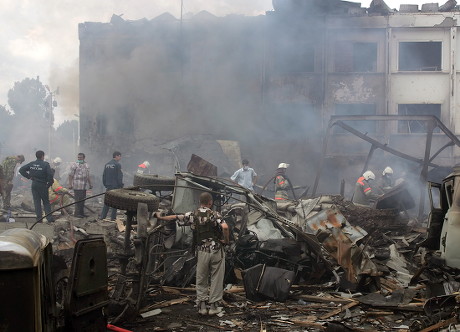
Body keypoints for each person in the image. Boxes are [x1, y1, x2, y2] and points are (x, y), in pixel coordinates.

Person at [155, 192, 230, 316]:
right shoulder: (215, 214)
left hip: (202, 251)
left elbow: (175, 217)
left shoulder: (193, 215)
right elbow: (225, 227)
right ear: (210, 202)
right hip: (216, 249)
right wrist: (225, 241)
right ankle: (214, 307)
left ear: (200, 202)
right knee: (217, 277)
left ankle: (201, 306)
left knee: (201, 277)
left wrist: (160, 217)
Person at [19, 150, 54, 223]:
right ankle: (49, 218)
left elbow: (21, 170)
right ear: (42, 156)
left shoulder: (32, 164)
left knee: (37, 202)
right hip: (42, 184)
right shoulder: (45, 164)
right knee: (46, 202)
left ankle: (39, 219)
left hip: (34, 184)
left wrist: (29, 176)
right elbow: (50, 175)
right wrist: (49, 183)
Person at [100, 151, 123, 221]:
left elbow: (104, 175)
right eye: (120, 156)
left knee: (107, 201)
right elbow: (119, 176)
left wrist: (105, 184)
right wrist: (120, 185)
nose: (120, 158)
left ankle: (102, 217)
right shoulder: (117, 165)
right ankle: (113, 218)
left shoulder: (107, 164)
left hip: (108, 186)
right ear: (117, 156)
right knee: (115, 202)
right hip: (115, 186)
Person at [68, 153, 93, 218]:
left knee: (82, 200)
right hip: (76, 186)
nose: (79, 159)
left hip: (84, 186)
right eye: (78, 157)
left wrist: (90, 184)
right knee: (78, 200)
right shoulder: (74, 165)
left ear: (84, 158)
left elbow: (88, 176)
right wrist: (70, 184)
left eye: (80, 158)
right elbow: (70, 175)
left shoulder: (87, 165)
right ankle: (77, 213)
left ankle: (81, 213)